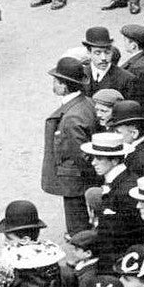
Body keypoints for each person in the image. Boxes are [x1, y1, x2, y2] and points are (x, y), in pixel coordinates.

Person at [41, 56, 97, 234]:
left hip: (74, 178)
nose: (54, 84)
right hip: (80, 177)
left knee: (77, 224)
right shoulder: (87, 102)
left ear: (64, 86)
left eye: (56, 81)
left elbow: (79, 154)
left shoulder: (71, 117)